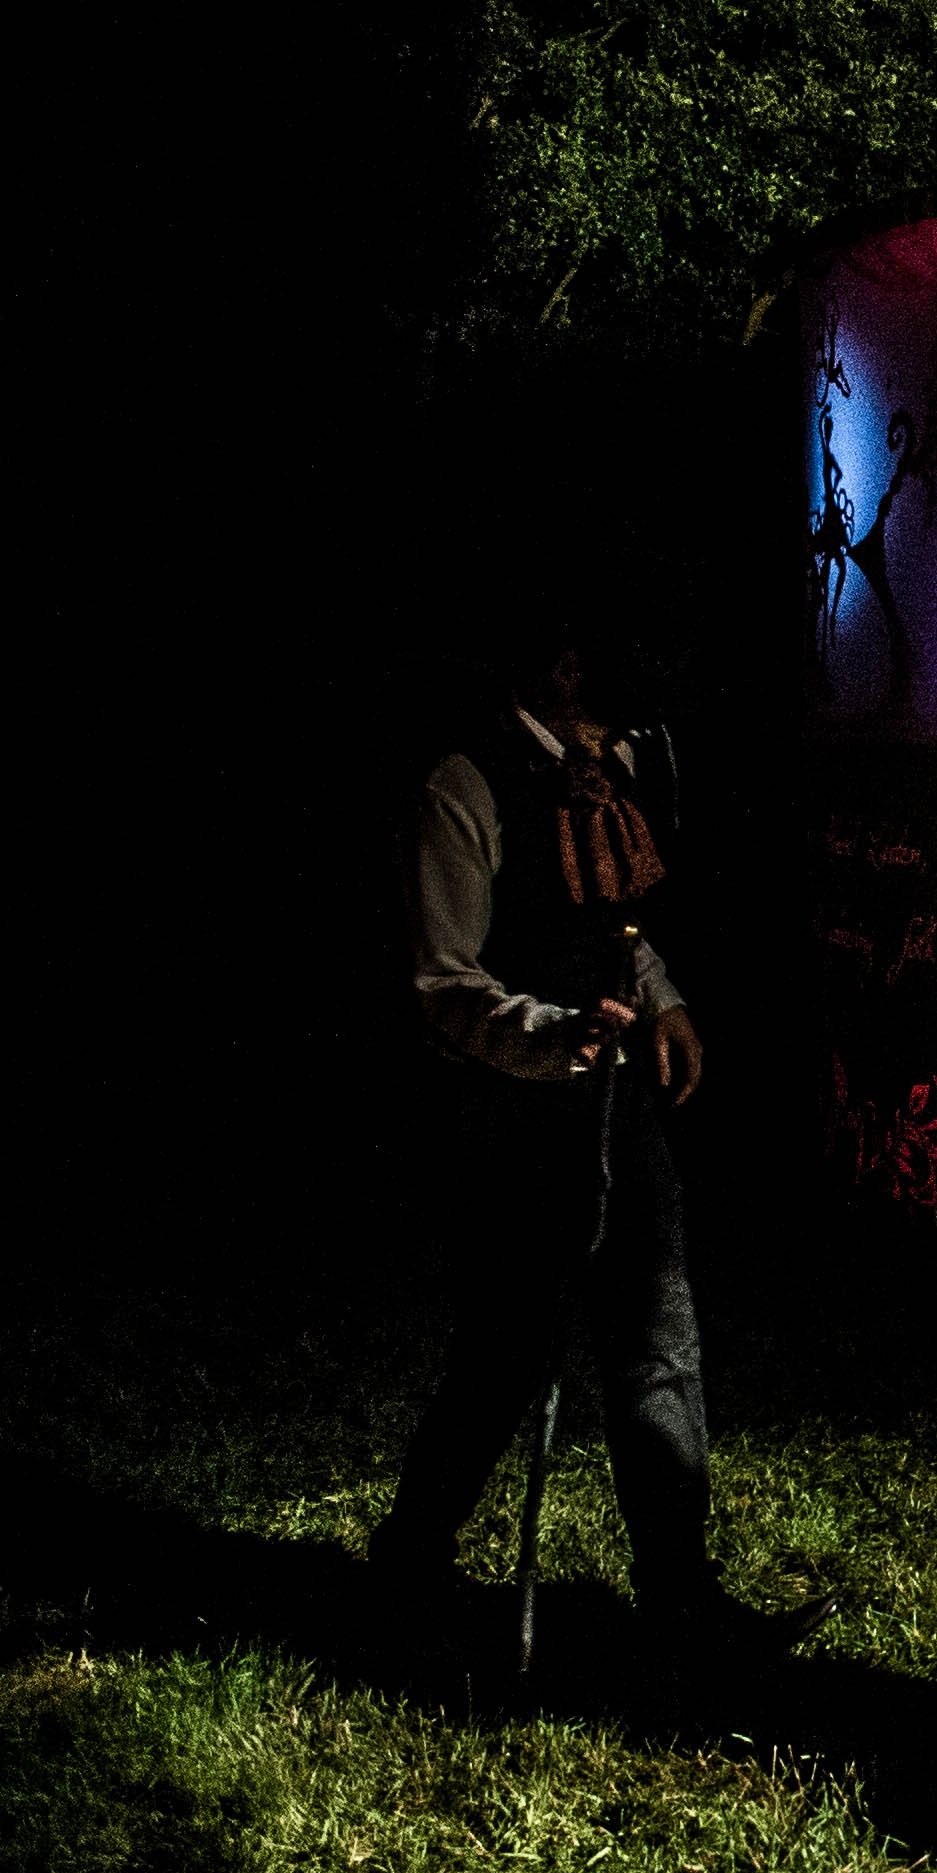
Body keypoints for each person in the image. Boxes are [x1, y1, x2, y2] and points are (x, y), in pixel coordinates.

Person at [365, 627, 827, 1667]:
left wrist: (663, 999)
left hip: (617, 1108)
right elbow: (443, 977)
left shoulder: (618, 768)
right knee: (504, 1352)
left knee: (659, 1338)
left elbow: (615, 921)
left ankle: (680, 1595)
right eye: (594, 662)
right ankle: (409, 1559)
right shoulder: (465, 784)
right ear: (555, 671)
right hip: (510, 1115)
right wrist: (551, 1034)